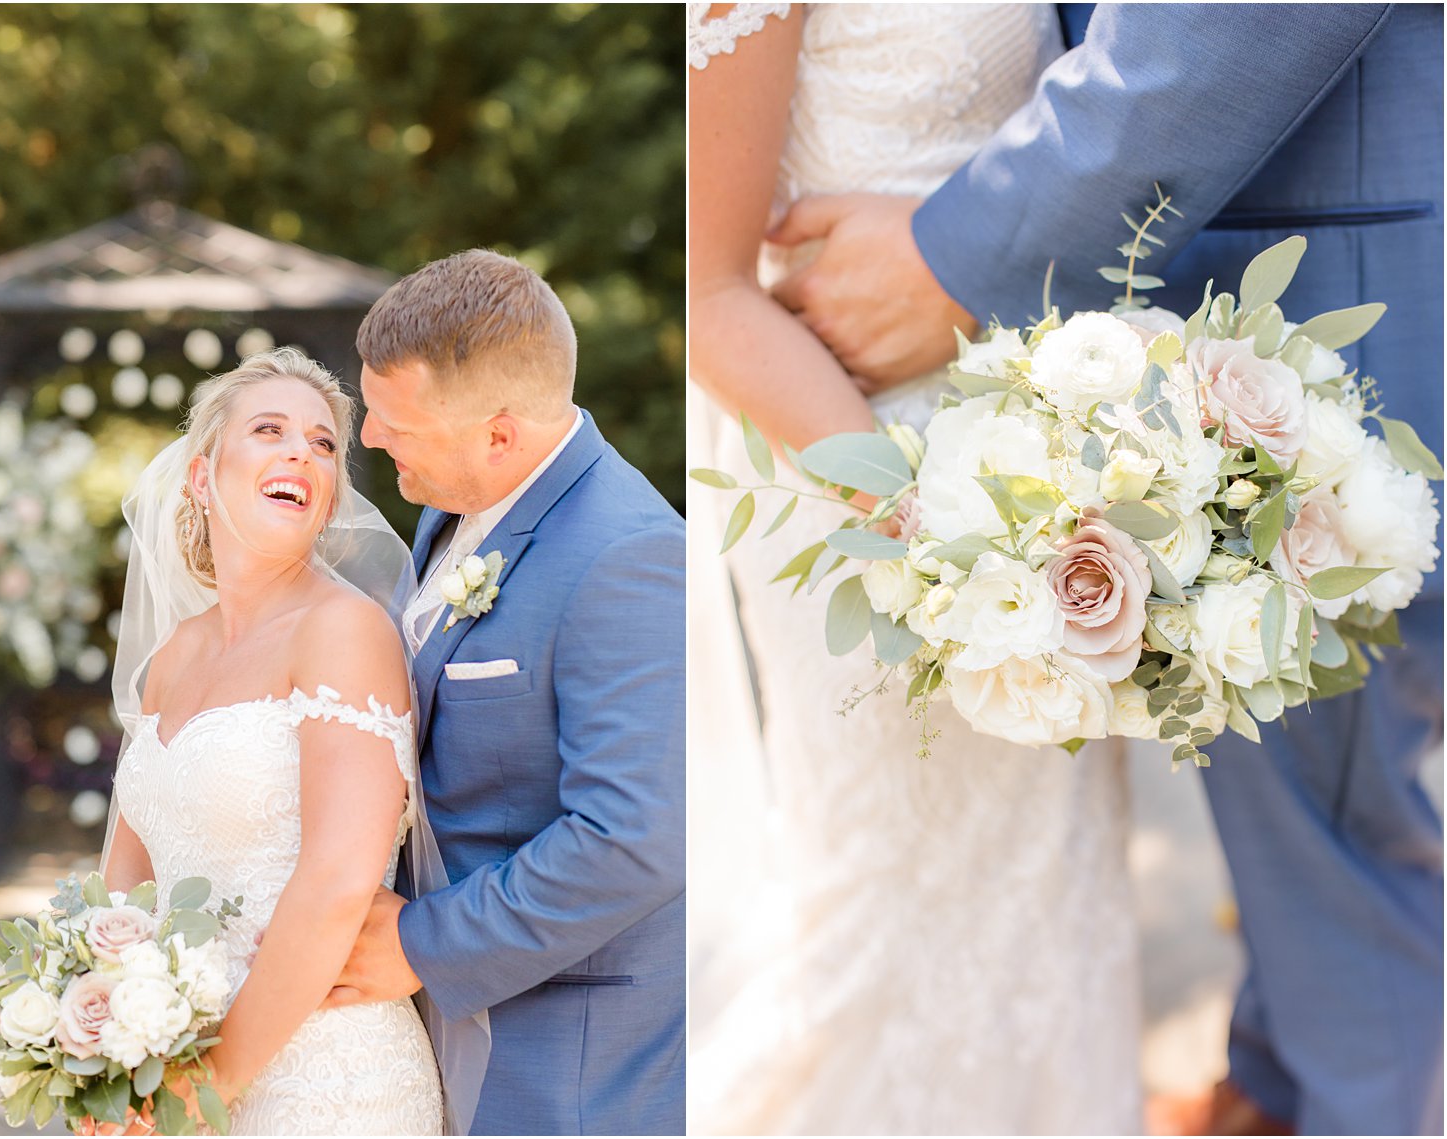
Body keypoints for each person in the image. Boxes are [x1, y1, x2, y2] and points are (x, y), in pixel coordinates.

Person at [762, 4, 1444, 1134]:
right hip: (1257, 281)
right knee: (1318, 839)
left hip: (1325, 304)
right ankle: (1272, 1091)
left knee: (1342, 865)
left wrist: (963, 256)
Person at [687, 6, 1140, 1133]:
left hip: (1037, 472)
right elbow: (709, 297)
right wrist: (922, 522)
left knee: (1046, 886)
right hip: (861, 481)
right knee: (884, 910)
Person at [328, 249, 687, 1136]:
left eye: (394, 422)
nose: (369, 439)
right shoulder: (451, 502)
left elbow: (635, 837)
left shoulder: (629, 556)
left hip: (565, 1062)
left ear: (499, 434)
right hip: (436, 1039)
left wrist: (421, 942)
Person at [98, 347, 487, 1134]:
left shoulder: (344, 630)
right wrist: (106, 1052)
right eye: (269, 429)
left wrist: (208, 1085)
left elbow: (338, 878)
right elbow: (129, 884)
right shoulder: (171, 658)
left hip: (324, 1077)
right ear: (203, 477)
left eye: (321, 443)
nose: (299, 452)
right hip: (176, 1070)